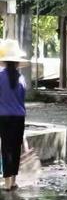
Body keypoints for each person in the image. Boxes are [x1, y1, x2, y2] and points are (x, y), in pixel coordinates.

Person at [0, 39, 29, 191]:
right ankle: (14, 181)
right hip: (19, 117)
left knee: (6, 148)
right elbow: (22, 101)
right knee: (16, 148)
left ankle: (6, 183)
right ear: (17, 63)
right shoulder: (22, 79)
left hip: (3, 117)